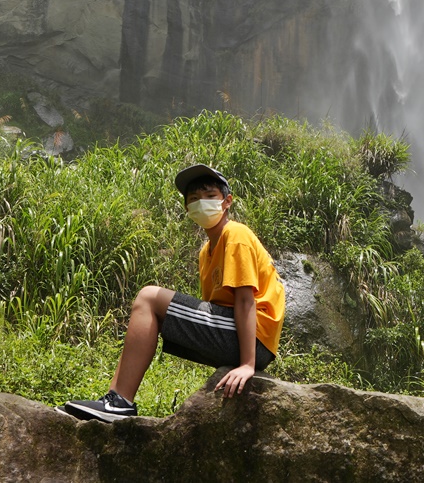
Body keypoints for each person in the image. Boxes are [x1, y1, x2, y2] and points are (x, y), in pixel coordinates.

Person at [60, 163, 286, 421]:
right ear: (188, 210)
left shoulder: (235, 234)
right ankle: (114, 398)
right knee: (152, 311)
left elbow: (245, 301)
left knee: (148, 298)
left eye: (210, 196)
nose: (202, 203)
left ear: (227, 201)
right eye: (194, 199)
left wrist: (247, 364)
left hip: (254, 338)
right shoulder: (207, 252)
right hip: (236, 333)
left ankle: (120, 402)